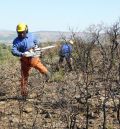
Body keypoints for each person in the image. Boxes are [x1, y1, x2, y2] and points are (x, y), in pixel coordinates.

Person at [11, 23, 50, 97]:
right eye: (19, 33)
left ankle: (47, 74)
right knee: (24, 77)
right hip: (24, 58)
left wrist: (35, 47)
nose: (21, 34)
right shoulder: (16, 41)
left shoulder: (32, 36)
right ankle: (24, 94)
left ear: (26, 30)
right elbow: (13, 51)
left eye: (23, 32)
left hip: (33, 56)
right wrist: (22, 54)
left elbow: (36, 43)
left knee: (38, 65)